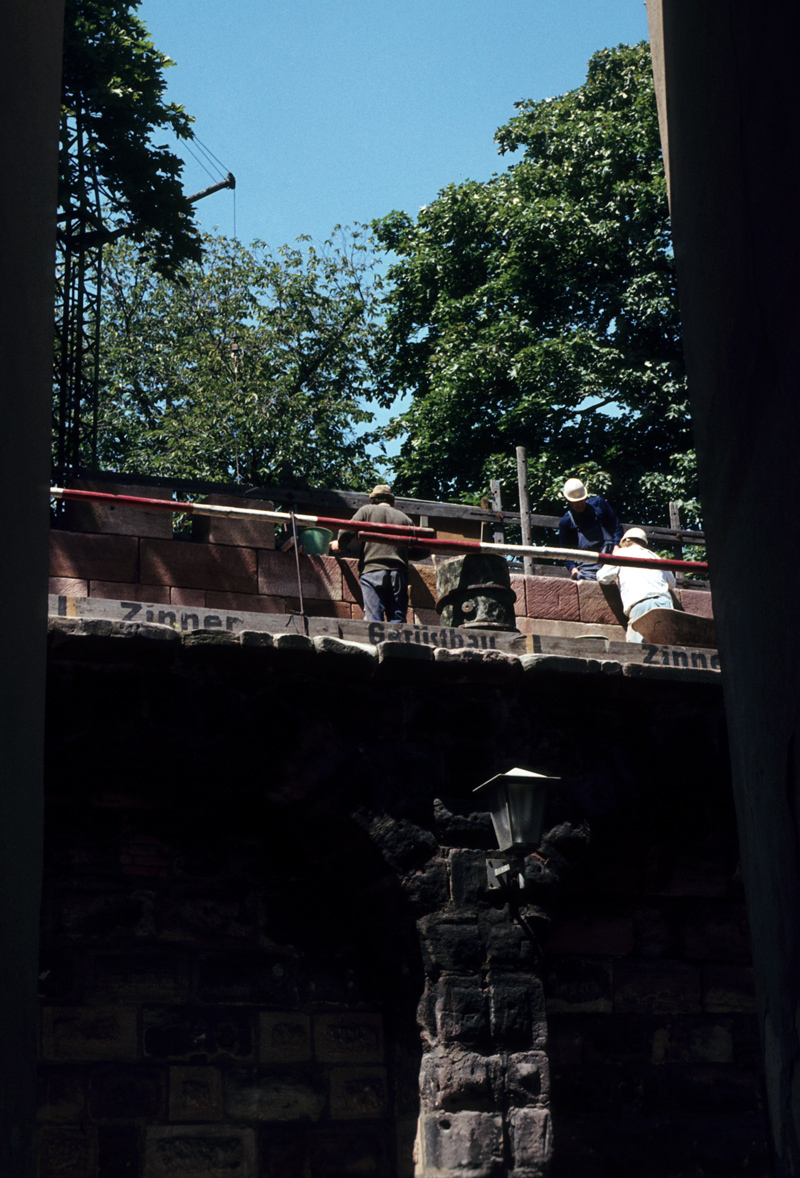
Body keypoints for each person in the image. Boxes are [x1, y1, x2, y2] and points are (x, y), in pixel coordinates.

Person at [329, 484, 413, 622]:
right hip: (398, 573)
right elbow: (423, 550)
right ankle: (397, 643)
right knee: (397, 619)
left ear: (372, 500)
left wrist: (340, 545)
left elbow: (346, 531)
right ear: (392, 502)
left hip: (372, 571)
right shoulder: (405, 518)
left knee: (373, 618)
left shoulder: (367, 511)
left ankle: (376, 643)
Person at [596, 527, 676, 642]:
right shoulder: (655, 557)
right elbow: (672, 583)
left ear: (625, 542)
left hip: (642, 605)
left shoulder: (623, 552)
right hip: (666, 604)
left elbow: (602, 577)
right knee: (664, 648)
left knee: (639, 650)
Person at [558, 477, 623, 580]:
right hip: (588, 566)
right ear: (567, 500)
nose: (579, 504)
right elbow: (563, 552)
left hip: (610, 557)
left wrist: (616, 545)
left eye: (581, 500)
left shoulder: (599, 504)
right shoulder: (566, 522)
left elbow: (617, 526)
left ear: (586, 496)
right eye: (575, 502)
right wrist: (572, 568)